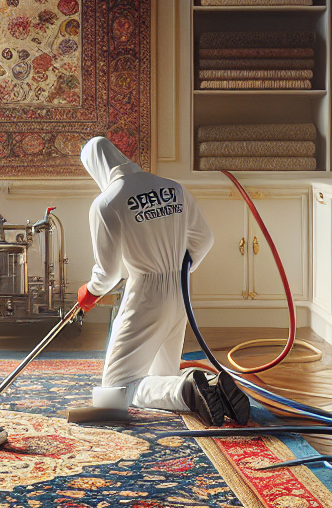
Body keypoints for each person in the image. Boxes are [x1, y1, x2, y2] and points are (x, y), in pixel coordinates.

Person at [75, 136, 250, 427]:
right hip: (180, 292)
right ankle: (212, 386)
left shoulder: (107, 203)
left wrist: (89, 292)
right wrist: (179, 268)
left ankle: (186, 390)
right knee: (161, 375)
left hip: (145, 295)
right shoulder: (172, 188)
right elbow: (204, 239)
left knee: (114, 390)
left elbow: (108, 274)